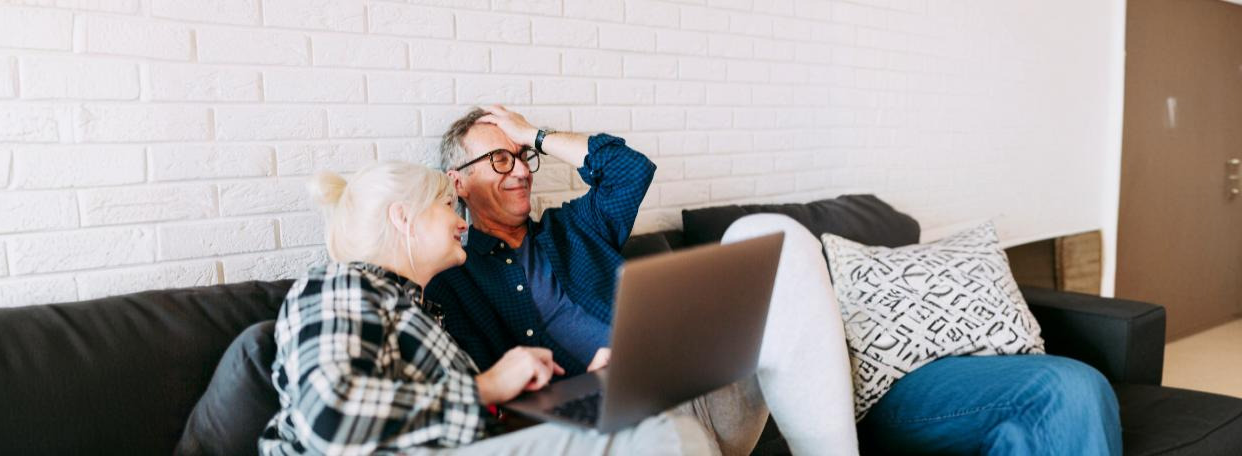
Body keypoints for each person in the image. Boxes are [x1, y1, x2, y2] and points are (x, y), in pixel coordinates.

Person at [425, 105, 1122, 455]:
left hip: (699, 392)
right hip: (617, 430)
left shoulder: (576, 229)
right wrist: (581, 385)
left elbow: (629, 168)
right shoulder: (449, 274)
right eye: (500, 160)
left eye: (524, 158)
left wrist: (537, 133)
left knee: (769, 235)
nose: (519, 171)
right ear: (457, 182)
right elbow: (476, 405)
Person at [254, 161, 715, 455]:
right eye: (448, 206)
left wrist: (587, 390)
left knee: (657, 422)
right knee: (667, 435)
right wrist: (488, 386)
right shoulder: (340, 283)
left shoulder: (417, 307)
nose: (461, 221)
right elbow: (330, 418)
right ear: (403, 218)